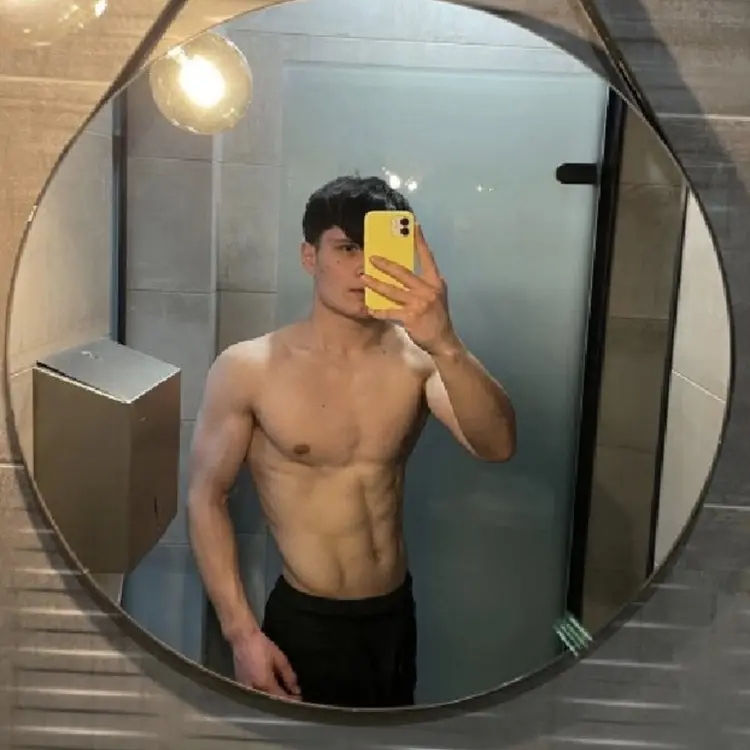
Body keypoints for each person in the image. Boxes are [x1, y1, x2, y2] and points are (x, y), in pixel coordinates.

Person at [186, 175, 516, 709]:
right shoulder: (250, 368)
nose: (364, 268)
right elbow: (205, 497)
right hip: (307, 620)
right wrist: (241, 634)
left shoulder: (420, 359)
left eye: (378, 249)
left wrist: (447, 343)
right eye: (346, 249)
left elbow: (497, 446)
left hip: (393, 615)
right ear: (309, 257)